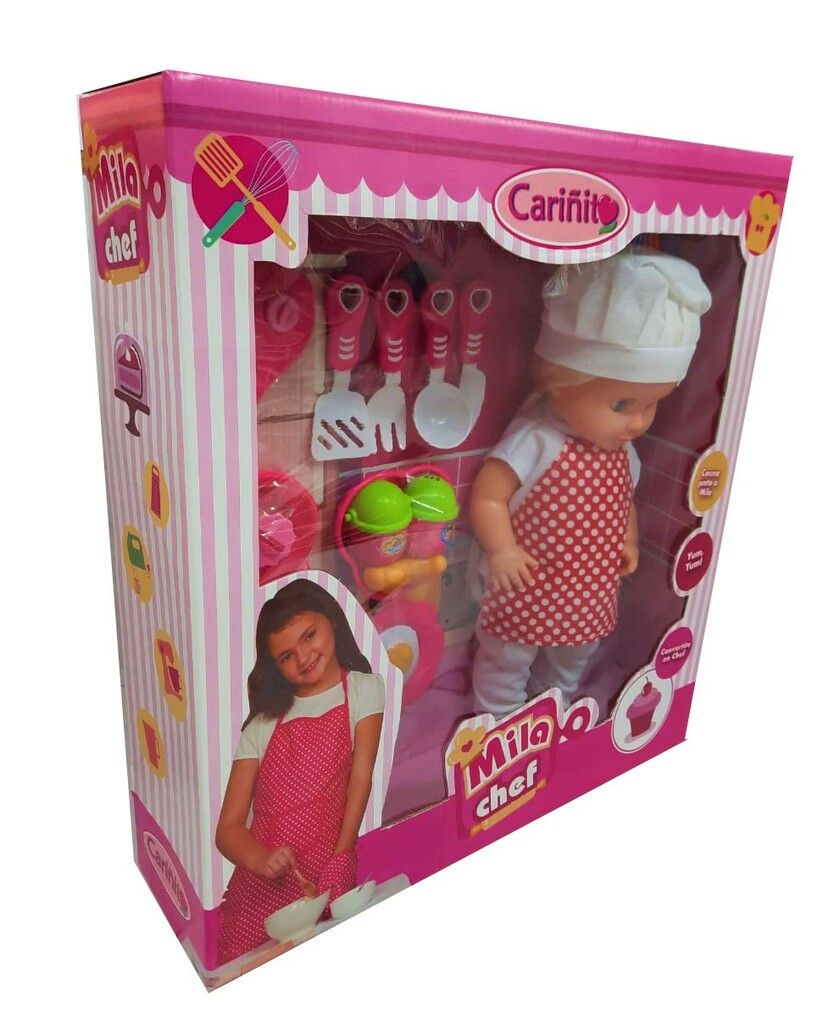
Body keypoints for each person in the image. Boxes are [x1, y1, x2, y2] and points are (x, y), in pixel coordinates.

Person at [470, 248, 712, 719]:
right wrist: (502, 549)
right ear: (559, 383)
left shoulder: (623, 451)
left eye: (651, 405)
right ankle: (497, 717)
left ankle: (555, 704)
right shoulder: (535, 438)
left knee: (574, 654)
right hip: (525, 586)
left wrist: (628, 540)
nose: (637, 422)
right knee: (507, 658)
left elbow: (625, 503)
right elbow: (490, 495)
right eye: (622, 405)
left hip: (589, 592)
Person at [216, 579, 384, 962]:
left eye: (309, 636)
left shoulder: (363, 690)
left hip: (323, 877)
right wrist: (260, 859)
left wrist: (343, 854)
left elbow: (360, 779)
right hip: (258, 896)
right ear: (275, 666)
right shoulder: (262, 724)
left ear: (332, 621)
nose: (304, 657)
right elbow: (228, 830)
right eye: (286, 656)